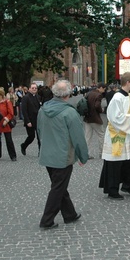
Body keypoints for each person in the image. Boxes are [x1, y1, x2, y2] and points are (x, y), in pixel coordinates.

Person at [37, 79, 87, 229]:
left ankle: (69, 214)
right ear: (69, 94)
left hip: (47, 154)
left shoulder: (42, 109)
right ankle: (47, 220)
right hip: (63, 156)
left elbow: (39, 131)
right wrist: (83, 156)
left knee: (59, 185)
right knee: (58, 188)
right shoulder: (70, 112)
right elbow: (78, 138)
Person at [99, 72, 130, 199]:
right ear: (128, 82)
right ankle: (112, 189)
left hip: (128, 132)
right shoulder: (117, 97)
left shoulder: (128, 95)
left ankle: (128, 184)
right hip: (117, 133)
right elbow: (115, 117)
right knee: (115, 163)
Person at [0, 87, 17, 161]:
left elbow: (11, 113)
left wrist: (6, 119)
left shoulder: (7, 102)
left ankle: (13, 155)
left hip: (5, 123)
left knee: (9, 140)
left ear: (1, 95)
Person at [83, 83, 106, 160]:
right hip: (95, 118)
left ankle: (86, 154)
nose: (104, 90)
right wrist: (101, 110)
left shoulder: (89, 93)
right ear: (100, 88)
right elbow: (97, 105)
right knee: (101, 135)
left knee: (87, 137)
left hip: (87, 117)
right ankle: (102, 153)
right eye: (104, 88)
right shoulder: (98, 95)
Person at [20, 83, 42, 156]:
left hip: (38, 120)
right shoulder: (25, 98)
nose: (34, 89)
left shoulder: (38, 97)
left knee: (40, 137)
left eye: (35, 88)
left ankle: (40, 151)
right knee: (31, 137)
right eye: (33, 88)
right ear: (29, 89)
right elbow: (24, 110)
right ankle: (24, 145)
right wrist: (27, 121)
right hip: (30, 120)